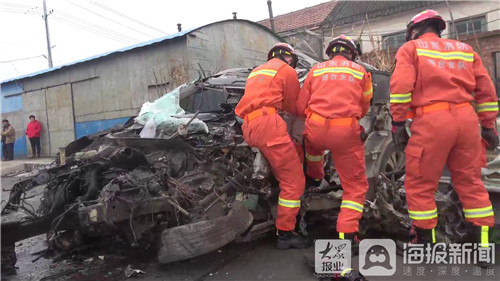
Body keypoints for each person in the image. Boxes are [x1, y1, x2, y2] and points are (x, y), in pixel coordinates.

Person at [390, 10, 498, 246]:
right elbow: (486, 91)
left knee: (420, 184)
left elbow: (400, 88)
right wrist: (489, 125)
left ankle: (423, 242)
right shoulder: (465, 50)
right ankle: (483, 248)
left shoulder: (411, 49)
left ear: (415, 30)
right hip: (467, 120)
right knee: (471, 183)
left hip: (432, 121)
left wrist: (397, 122)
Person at [296, 35, 373, 248]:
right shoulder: (360, 72)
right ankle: (347, 236)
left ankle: (315, 177)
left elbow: (302, 104)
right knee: (355, 186)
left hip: (316, 128)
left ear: (330, 53)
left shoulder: (316, 70)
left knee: (312, 149)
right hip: (345, 131)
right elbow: (365, 104)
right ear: (352, 54)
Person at [235, 43, 310, 249]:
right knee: (293, 181)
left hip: (249, 126)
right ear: (290, 59)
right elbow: (293, 105)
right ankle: (286, 233)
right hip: (268, 124)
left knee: (279, 165)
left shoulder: (256, 72)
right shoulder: (286, 71)